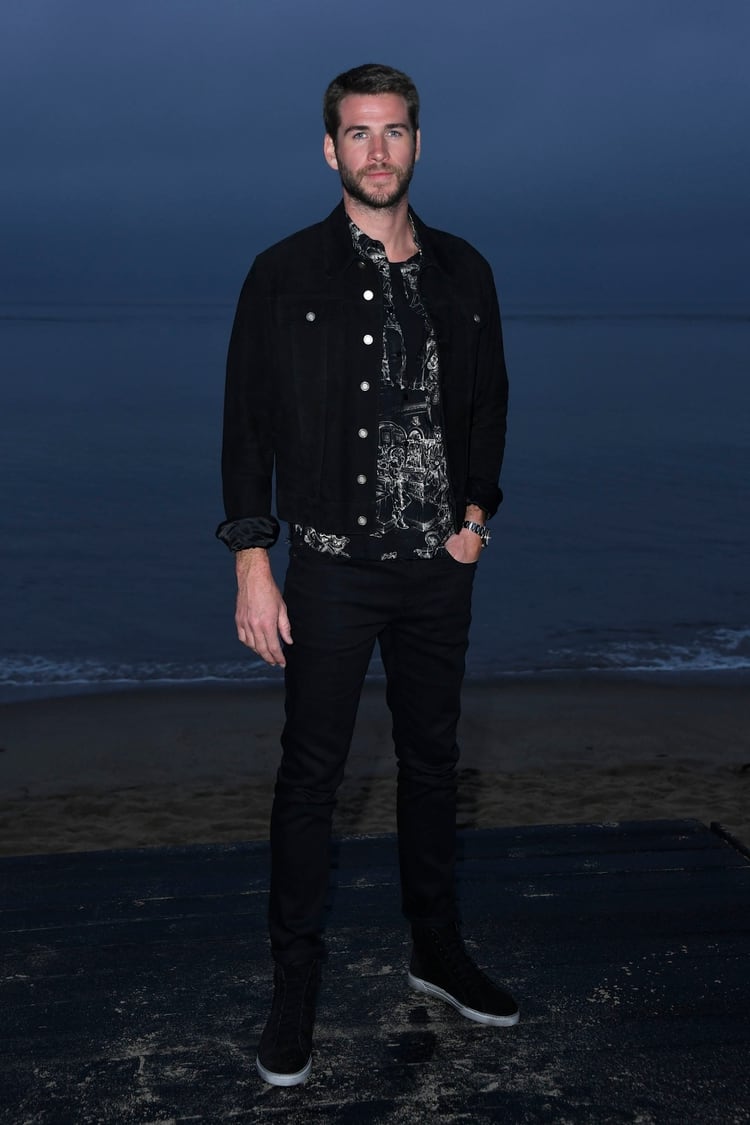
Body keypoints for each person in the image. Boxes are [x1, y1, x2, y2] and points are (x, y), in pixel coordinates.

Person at [217, 62, 518, 1087]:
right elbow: (244, 428)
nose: (378, 150)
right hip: (332, 574)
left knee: (434, 769)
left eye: (395, 132)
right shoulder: (283, 273)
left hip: (440, 572)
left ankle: (438, 953)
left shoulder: (464, 272)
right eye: (359, 134)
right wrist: (256, 565)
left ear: (418, 144)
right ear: (330, 149)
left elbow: (488, 410)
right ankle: (293, 986)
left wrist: (476, 516)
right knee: (313, 780)